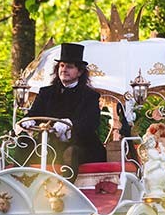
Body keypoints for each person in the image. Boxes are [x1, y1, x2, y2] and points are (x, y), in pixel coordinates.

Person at [22, 42, 106, 174]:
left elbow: (91, 123)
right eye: (61, 65)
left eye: (69, 67)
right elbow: (34, 113)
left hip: (82, 146)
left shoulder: (90, 96)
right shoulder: (46, 92)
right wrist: (29, 120)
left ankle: (65, 186)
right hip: (51, 145)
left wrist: (70, 124)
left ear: (80, 72)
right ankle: (19, 180)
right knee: (24, 143)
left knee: (71, 153)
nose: (64, 69)